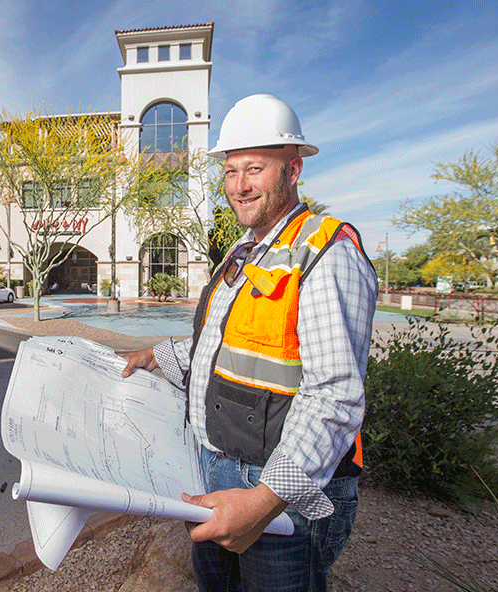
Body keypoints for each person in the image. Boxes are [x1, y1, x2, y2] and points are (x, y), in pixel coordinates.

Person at [121, 93, 378, 592]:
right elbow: (221, 345)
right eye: (230, 171)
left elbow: (335, 395)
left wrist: (262, 500)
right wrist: (156, 356)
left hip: (275, 487)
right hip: (215, 468)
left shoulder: (324, 252)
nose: (238, 186)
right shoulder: (244, 251)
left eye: (254, 169)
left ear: (293, 169)